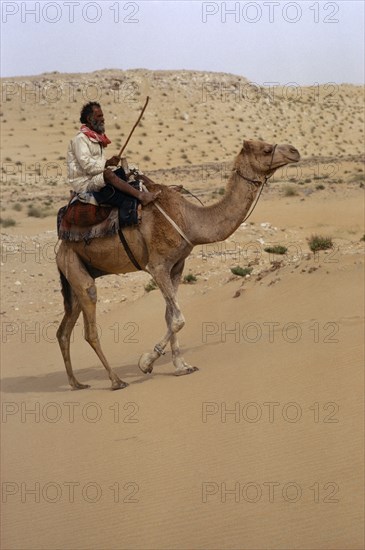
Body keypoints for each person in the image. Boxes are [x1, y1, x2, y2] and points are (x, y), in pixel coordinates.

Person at [67, 101, 159, 207]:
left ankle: (160, 189)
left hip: (95, 177)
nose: (103, 119)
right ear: (89, 119)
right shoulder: (80, 140)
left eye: (102, 115)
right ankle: (141, 196)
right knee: (108, 174)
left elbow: (97, 166)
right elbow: (88, 166)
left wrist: (110, 164)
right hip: (84, 183)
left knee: (133, 169)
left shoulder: (96, 138)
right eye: (99, 116)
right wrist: (107, 163)